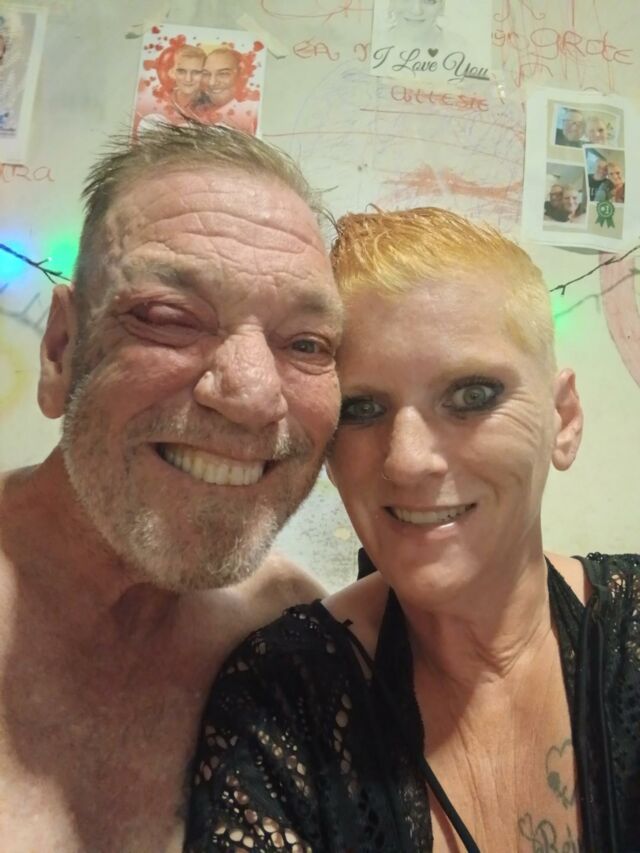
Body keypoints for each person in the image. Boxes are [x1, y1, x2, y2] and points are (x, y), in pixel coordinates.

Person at [184, 207, 639, 852]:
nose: (406, 461)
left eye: (472, 395)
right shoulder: (282, 699)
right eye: (361, 408)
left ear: (562, 420)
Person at [0, 122, 344, 851]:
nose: (252, 396)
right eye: (168, 318)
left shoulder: (291, 640)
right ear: (61, 349)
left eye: (306, 343)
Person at [195, 48, 258, 135]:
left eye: (223, 74)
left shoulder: (251, 112)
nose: (212, 82)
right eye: (206, 74)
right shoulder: (197, 111)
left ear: (240, 75)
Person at [168, 44, 206, 113]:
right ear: (172, 72)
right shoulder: (166, 98)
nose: (188, 79)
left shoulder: (209, 104)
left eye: (196, 72)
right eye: (181, 71)